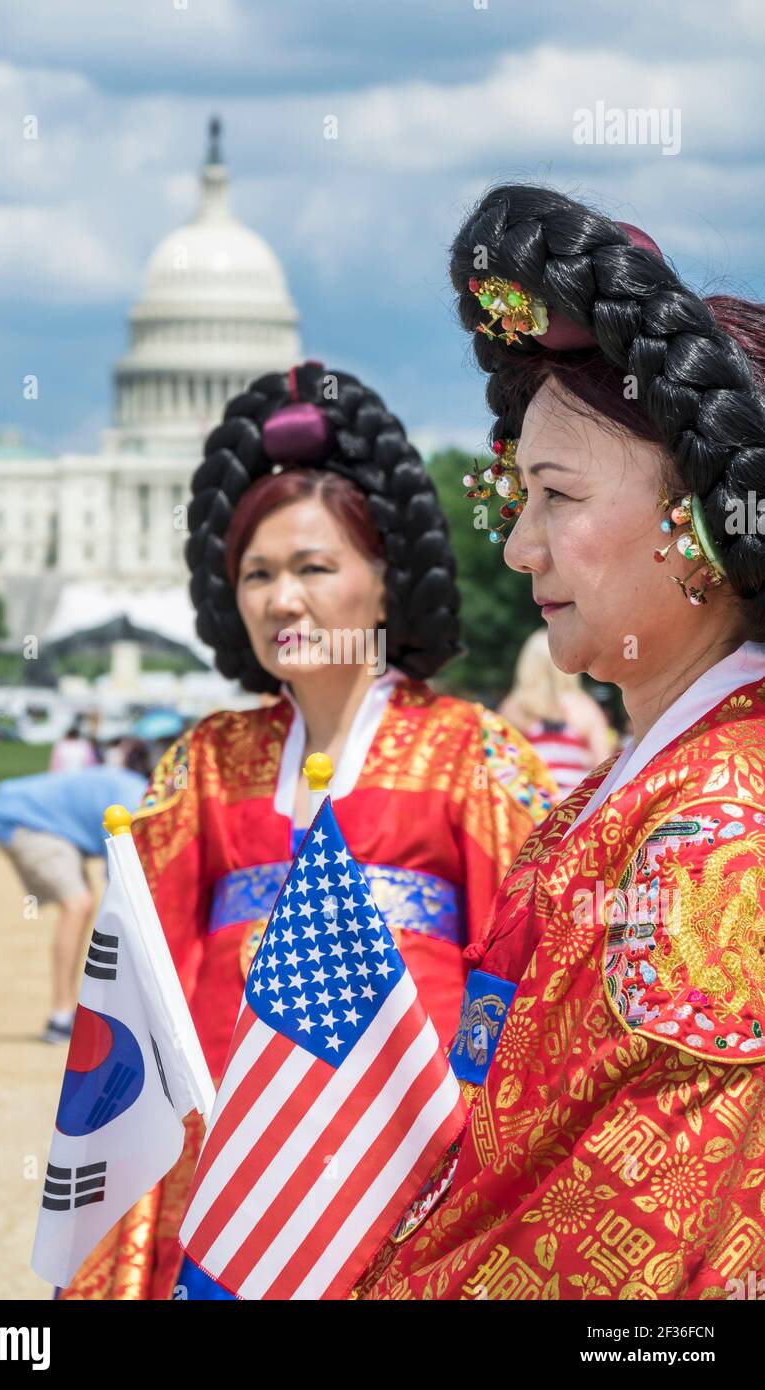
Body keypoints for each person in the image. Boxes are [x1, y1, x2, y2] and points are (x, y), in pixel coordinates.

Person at [58, 359, 555, 1299]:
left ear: (383, 580)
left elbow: (524, 981)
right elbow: (141, 979)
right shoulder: (202, 761)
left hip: (409, 1164)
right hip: (221, 1174)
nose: (282, 599)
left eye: (315, 567)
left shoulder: (471, 752)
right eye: (257, 573)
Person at [355, 184, 765, 1300]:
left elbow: (604, 1252)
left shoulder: (719, 833)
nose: (517, 549)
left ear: (695, 521)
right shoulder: (646, 786)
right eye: (513, 495)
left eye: (553, 495)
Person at [0, 763, 149, 1043]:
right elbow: (122, 885)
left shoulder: (141, 794)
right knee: (79, 904)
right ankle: (60, 1016)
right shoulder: (134, 809)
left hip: (44, 823)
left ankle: (74, 1010)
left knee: (84, 904)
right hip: (22, 820)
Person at [500, 627, 612, 794]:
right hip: (574, 809)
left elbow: (501, 765)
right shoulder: (585, 708)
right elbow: (603, 768)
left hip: (533, 806)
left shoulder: (514, 708)